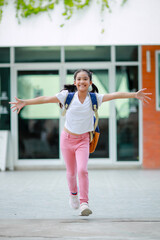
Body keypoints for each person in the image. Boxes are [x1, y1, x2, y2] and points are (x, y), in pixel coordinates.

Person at [9, 69, 152, 216]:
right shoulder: (67, 97)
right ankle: (73, 195)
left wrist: (134, 95)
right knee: (71, 173)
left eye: (85, 79)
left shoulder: (95, 98)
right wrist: (25, 102)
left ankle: (84, 203)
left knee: (82, 170)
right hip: (67, 140)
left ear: (90, 82)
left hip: (83, 140)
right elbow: (45, 99)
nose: (82, 81)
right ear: (75, 82)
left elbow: (115, 95)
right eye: (79, 79)